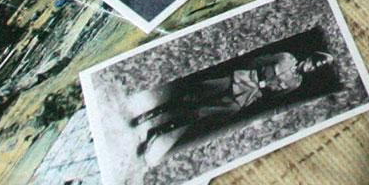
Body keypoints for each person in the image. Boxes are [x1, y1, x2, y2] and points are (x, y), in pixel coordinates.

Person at [124, 31, 338, 165]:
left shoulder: (296, 83)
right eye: (316, 61)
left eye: (317, 68)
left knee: (198, 114)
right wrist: (244, 76)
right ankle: (150, 114)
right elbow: (257, 61)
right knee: (192, 97)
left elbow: (273, 96)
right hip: (240, 79)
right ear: (312, 57)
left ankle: (156, 132)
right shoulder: (286, 58)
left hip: (246, 97)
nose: (313, 66)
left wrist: (257, 92)